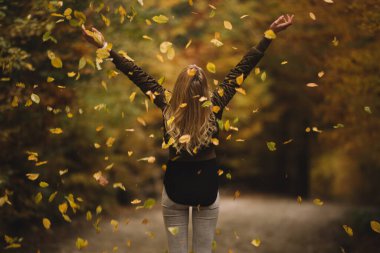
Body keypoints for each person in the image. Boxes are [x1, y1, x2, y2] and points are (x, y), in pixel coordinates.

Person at [82, 13, 294, 253]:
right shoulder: (215, 104)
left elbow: (134, 72)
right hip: (207, 189)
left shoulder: (167, 103)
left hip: (175, 189)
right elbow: (244, 66)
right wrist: (270, 33)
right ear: (205, 89)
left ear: (180, 86)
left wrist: (104, 46)